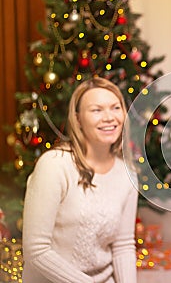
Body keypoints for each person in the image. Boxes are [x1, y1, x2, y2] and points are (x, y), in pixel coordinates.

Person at [22, 77, 138, 283]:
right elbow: (36, 250)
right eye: (97, 110)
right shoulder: (54, 165)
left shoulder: (127, 174)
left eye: (115, 107)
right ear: (78, 119)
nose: (109, 117)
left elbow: (123, 245)